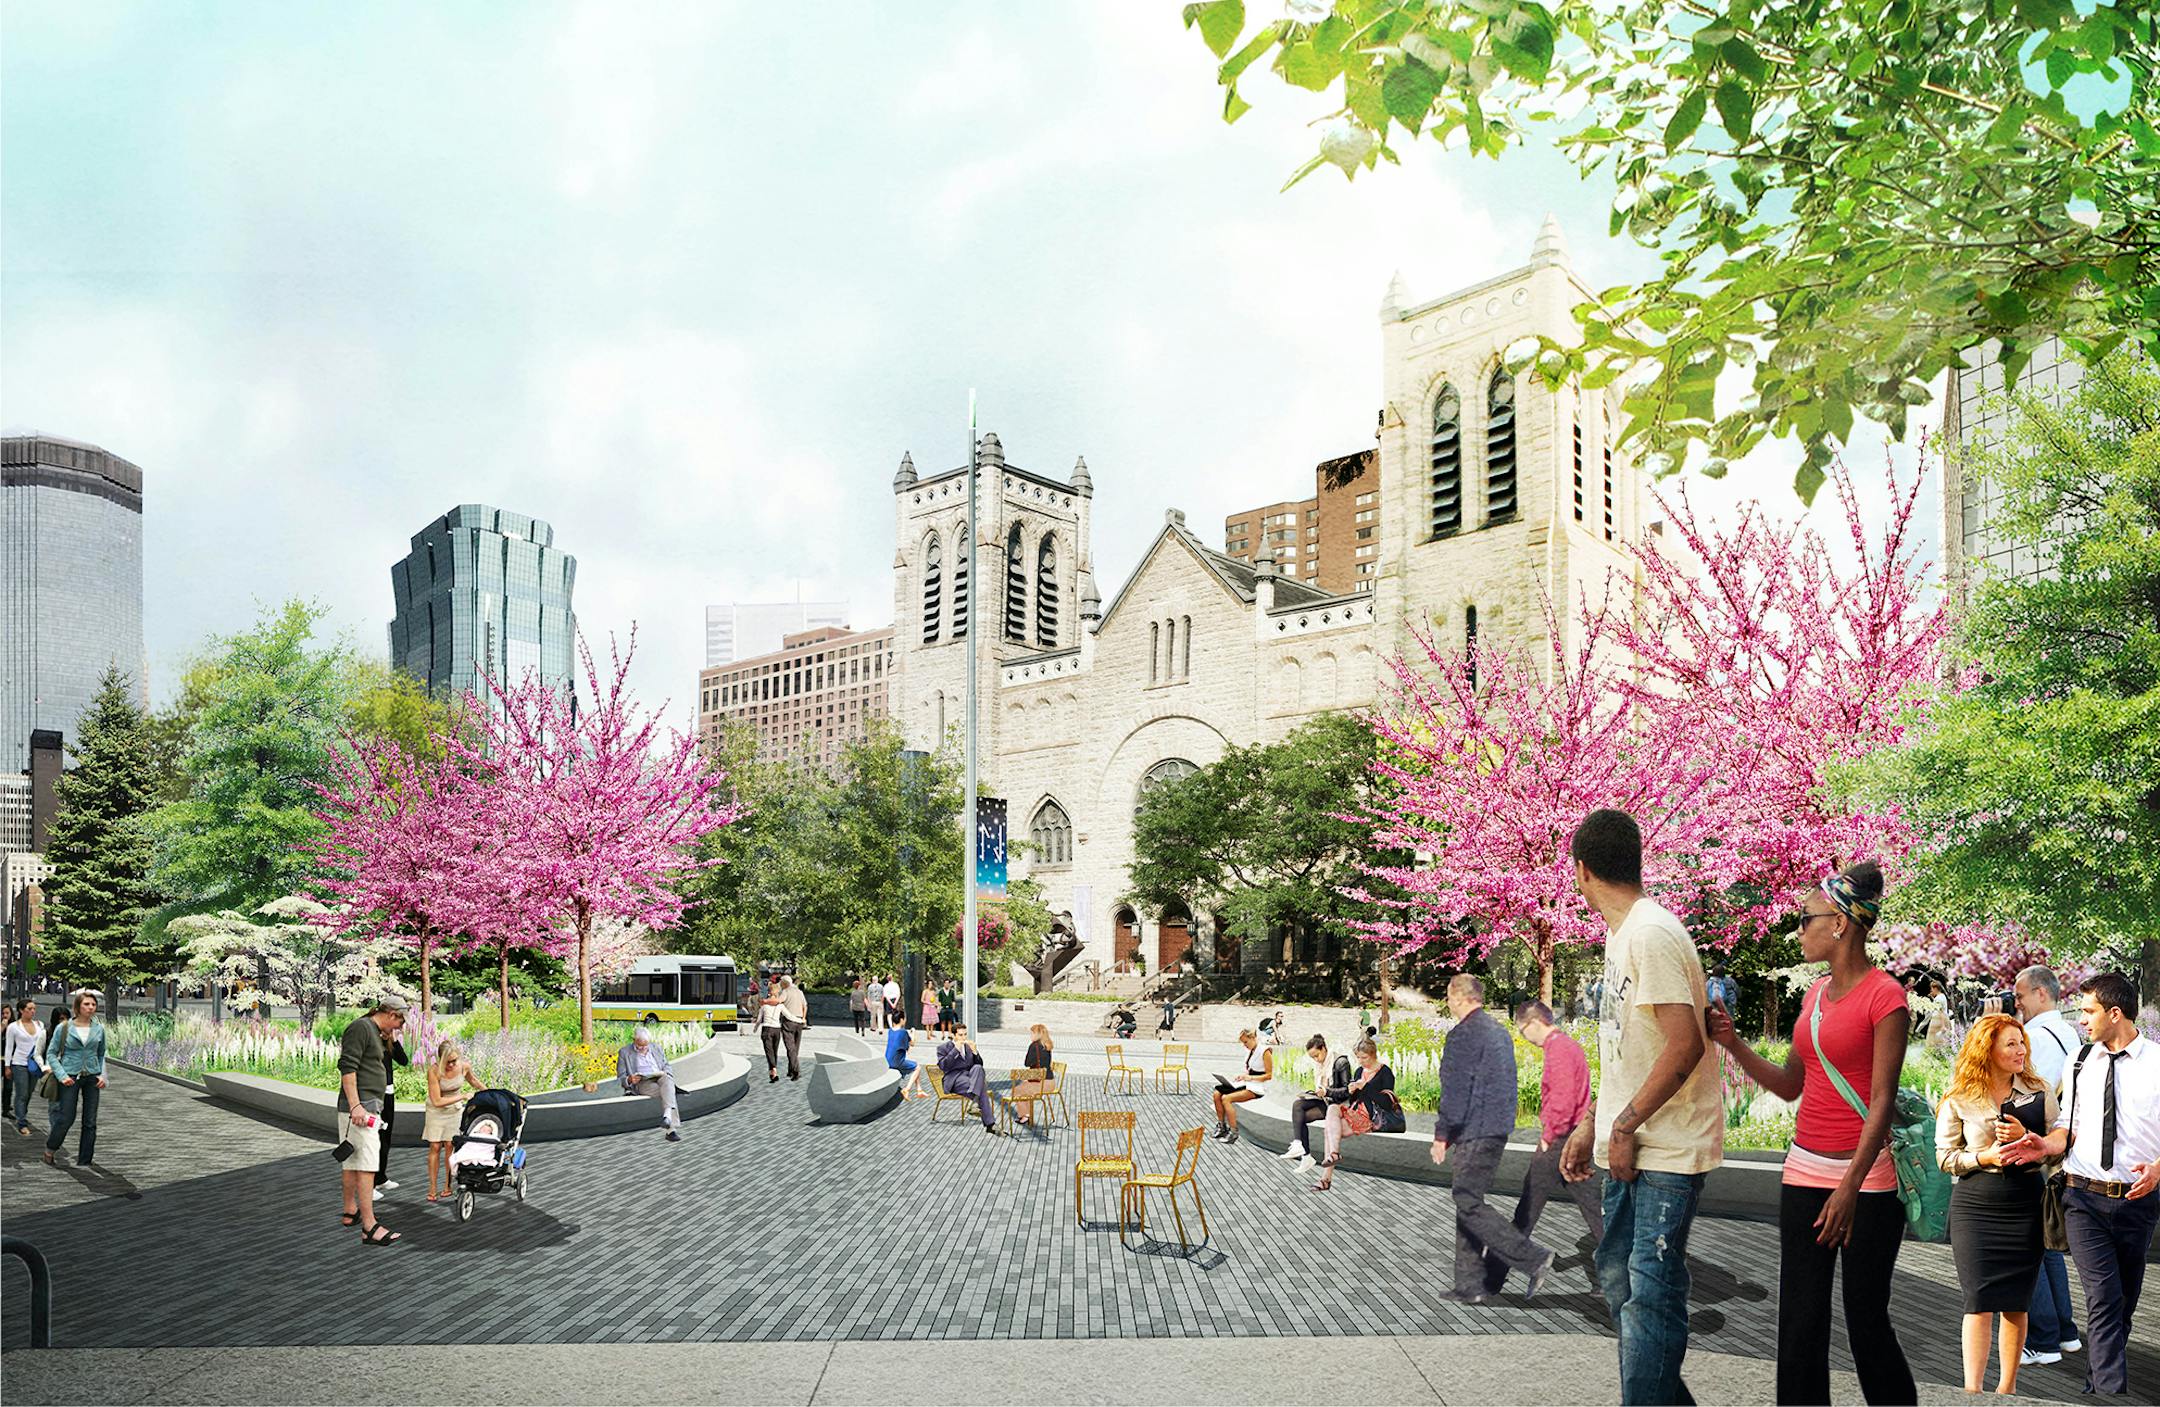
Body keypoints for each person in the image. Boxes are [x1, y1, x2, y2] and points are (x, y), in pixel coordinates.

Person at [1709, 859, 1914, 1406]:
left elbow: (1881, 1101)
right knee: (1799, 1319)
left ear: (1841, 922)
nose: (1798, 930)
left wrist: (1848, 1186)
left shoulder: (1886, 997)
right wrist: (1733, 1044)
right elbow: (1788, 1086)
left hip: (1866, 1182)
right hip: (1803, 1170)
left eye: (1805, 919)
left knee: (1865, 1319)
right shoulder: (1812, 998)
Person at [1559, 809, 1723, 1407]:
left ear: (1581, 869)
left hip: (1666, 1147)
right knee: (1622, 1282)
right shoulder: (1625, 932)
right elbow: (1628, 1050)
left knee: (1649, 1293)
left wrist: (1624, 1125)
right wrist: (1592, 1124)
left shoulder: (1651, 934)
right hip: (1634, 1142)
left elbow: (1685, 1045)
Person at [2001, 972, 2159, 1397]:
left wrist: (2159, 1167)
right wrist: (2042, 1144)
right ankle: (2108, 1395)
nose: (2082, 1021)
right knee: (2104, 1298)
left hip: (2137, 1201)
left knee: (2123, 1301)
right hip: (2081, 1197)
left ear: (2114, 1013)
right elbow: (2067, 1128)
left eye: (2088, 1012)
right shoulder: (2079, 1063)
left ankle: (2099, 1381)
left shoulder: (2158, 1064)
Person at [1936, 1012, 2053, 1396]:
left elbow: (2057, 1150)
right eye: (2012, 1044)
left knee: (2017, 1302)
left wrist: (2030, 1138)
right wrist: (1983, 1158)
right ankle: (1971, 1391)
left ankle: (2007, 1390)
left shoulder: (2040, 1090)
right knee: (1978, 1299)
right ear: (1988, 1050)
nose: (2021, 1050)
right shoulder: (1959, 1097)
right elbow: (1945, 1157)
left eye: (2022, 1043)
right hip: (1976, 1204)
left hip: (2024, 1203)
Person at [1430, 974, 1554, 1301]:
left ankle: (1532, 1257)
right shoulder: (1498, 1032)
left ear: (1458, 997)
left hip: (1474, 1130)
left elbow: (1455, 1091)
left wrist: (1443, 1134)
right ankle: (1471, 1285)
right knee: (1467, 1199)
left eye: (1448, 995)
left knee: (1468, 1201)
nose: (1448, 1001)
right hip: (1496, 1128)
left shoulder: (1463, 1035)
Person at [2011, 965, 2084, 1367]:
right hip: (2058, 1155)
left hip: (2032, 1150)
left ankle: (2042, 1340)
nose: (2016, 1002)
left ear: (2041, 994)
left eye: (2020, 996)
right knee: (2048, 1243)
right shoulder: (2070, 1033)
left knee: (2027, 1246)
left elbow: (2019, 1093)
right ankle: (2066, 1331)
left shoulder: (2033, 1038)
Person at [1505, 999, 1603, 1259]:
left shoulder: (1558, 1049)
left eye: (1523, 1030)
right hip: (1574, 1136)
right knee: (1593, 1206)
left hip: (1559, 1138)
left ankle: (1492, 1274)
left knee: (1528, 1207)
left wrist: (1548, 1138)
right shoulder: (1570, 1046)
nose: (1523, 1037)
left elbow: (1562, 1099)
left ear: (1535, 1023)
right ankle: (1617, 1270)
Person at [338, 997, 407, 1245]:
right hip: (361, 1108)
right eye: (399, 1021)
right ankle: (369, 1226)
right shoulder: (361, 1028)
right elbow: (347, 1067)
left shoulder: (374, 1031)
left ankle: (350, 1211)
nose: (399, 1027)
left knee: (352, 1161)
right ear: (390, 1014)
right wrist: (356, 1105)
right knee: (367, 1165)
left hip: (365, 1106)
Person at [1311, 1038, 1396, 1191]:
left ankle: (1326, 1178)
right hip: (1357, 1112)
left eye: (1364, 1057)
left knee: (1328, 1131)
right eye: (1358, 1057)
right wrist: (1351, 1091)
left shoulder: (1385, 1073)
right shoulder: (1359, 1071)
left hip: (1373, 1117)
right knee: (1332, 1109)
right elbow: (1355, 1100)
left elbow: (1387, 1103)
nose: (1360, 1061)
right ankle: (1334, 1154)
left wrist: (1366, 1087)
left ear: (1373, 1054)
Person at [41, 989, 107, 1168]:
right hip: (69, 1076)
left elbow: (101, 1054)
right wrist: (62, 1076)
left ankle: (85, 1160)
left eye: (93, 1004)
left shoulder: (99, 1029)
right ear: (78, 1006)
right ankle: (50, 1148)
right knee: (66, 1118)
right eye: (87, 1004)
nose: (91, 1007)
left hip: (92, 1077)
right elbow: (52, 1054)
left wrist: (102, 1075)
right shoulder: (64, 1028)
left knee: (90, 1121)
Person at [1278, 1034, 1349, 1172]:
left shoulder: (1340, 1062)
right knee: (1298, 1104)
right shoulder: (1319, 1065)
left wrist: (1327, 1092)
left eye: (1317, 1056)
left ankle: (1305, 1155)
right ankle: (1301, 1149)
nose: (1316, 1060)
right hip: (1324, 1100)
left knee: (1300, 1117)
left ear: (1324, 1049)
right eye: (1312, 1058)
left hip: (1336, 1105)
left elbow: (1347, 1092)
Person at [424, 1037, 479, 1200]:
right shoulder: (434, 1071)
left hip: (454, 1111)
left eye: (454, 1060)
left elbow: (473, 1081)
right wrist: (462, 1096)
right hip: (436, 1110)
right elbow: (437, 1101)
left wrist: (490, 1092)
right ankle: (432, 1188)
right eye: (448, 1062)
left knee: (449, 1145)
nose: (452, 1065)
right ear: (441, 1060)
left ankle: (447, 1186)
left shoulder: (463, 1067)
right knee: (434, 1146)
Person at [617, 1025, 682, 1141]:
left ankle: (667, 1117)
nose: (643, 1048)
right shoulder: (624, 1052)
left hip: (660, 1077)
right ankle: (670, 1129)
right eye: (639, 1046)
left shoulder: (656, 1047)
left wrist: (664, 1072)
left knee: (667, 1080)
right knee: (669, 1092)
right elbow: (621, 1077)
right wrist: (630, 1080)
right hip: (642, 1082)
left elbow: (667, 1065)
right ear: (634, 1040)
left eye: (645, 1045)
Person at [1210, 1029, 1272, 1144]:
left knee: (1226, 1099)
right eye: (1243, 1043)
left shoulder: (1265, 1051)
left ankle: (1234, 1133)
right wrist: (1242, 1076)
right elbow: (1249, 1070)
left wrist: (1250, 1078)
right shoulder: (1250, 1051)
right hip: (1247, 1082)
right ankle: (1222, 1126)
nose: (1244, 1045)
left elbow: (1269, 1075)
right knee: (1217, 1093)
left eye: (1246, 1042)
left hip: (1258, 1086)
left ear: (1253, 1038)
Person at [936, 1023, 998, 1133]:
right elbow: (943, 1066)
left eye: (965, 1034)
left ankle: (975, 1102)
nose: (963, 1038)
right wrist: (955, 1050)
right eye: (960, 1035)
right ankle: (990, 1124)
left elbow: (979, 1065)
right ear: (953, 1035)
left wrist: (975, 1052)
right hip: (954, 1079)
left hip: (970, 1077)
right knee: (982, 1089)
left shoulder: (968, 1047)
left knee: (978, 1068)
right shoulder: (943, 1048)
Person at [375, 1019, 410, 1195]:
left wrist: (394, 1040)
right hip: (375, 1095)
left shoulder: (389, 1042)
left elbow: (404, 1061)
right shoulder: (372, 1042)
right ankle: (370, 1183)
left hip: (388, 1093)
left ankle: (380, 1177)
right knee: (375, 1138)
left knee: (386, 1137)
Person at [6, 999, 45, 1136]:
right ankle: (21, 1121)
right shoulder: (13, 1027)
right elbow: (9, 1047)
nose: (32, 1011)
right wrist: (7, 1066)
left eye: (34, 1008)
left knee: (28, 1093)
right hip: (19, 1063)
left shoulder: (40, 1025)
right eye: (29, 1009)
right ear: (22, 1010)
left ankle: (22, 1114)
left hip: (34, 1063)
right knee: (21, 1093)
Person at [1011, 1024, 1054, 1125]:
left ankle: (1025, 1115)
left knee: (1017, 1090)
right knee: (1025, 1088)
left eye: (1032, 1033)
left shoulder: (1034, 1046)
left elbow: (1026, 1063)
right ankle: (1027, 1114)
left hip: (1040, 1083)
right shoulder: (1047, 1045)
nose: (1030, 1035)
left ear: (1037, 1034)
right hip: (1051, 1083)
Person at [778, 975, 808, 1080]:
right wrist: (804, 1018)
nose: (780, 984)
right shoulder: (800, 992)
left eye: (781, 982)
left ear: (785, 983)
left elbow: (779, 1002)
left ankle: (796, 1071)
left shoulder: (785, 992)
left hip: (789, 1022)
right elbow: (805, 1006)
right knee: (795, 1048)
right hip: (799, 1022)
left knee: (790, 1048)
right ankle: (790, 1070)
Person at [758, 978, 787, 1084]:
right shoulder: (780, 1005)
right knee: (774, 1051)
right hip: (777, 1029)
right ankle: (772, 1071)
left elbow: (758, 1019)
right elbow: (789, 1015)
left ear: (769, 992)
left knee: (769, 1051)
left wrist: (755, 1027)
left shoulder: (764, 1005)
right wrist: (800, 1019)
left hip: (766, 1029)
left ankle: (773, 1069)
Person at [886, 1022, 925, 1099]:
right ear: (901, 1019)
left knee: (914, 1066)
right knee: (917, 1067)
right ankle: (907, 1089)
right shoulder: (903, 1032)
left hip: (887, 1060)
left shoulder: (890, 1030)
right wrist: (913, 1033)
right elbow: (912, 1043)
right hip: (896, 1062)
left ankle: (919, 1090)